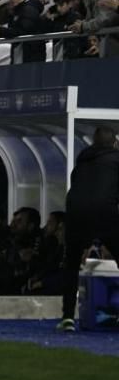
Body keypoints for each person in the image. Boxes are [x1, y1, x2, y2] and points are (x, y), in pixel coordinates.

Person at [58, 126, 119, 332]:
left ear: (93, 142)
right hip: (104, 211)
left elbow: (76, 185)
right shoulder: (116, 159)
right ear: (114, 142)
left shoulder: (82, 160)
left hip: (75, 211)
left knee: (72, 264)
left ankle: (67, 317)